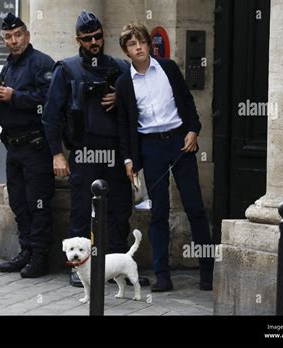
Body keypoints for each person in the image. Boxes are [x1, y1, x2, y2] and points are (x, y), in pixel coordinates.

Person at [42, 10, 149, 288]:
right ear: (78, 39)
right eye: (88, 38)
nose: (94, 42)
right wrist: (56, 153)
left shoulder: (120, 68)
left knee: (119, 212)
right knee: (80, 212)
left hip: (114, 152)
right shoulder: (66, 70)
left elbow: (138, 107)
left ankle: (115, 269)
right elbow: (51, 115)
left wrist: (120, 96)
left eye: (98, 36)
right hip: (84, 151)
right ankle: (80, 270)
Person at [116, 23, 214, 292]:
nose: (139, 47)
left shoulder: (168, 68)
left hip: (180, 142)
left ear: (149, 44)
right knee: (158, 212)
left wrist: (193, 130)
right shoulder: (124, 83)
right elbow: (124, 126)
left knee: (194, 206)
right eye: (132, 44)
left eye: (142, 42)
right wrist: (129, 161)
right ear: (126, 50)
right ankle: (163, 275)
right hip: (151, 147)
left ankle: (208, 271)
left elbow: (187, 101)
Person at [0, 13, 55, 278]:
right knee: (19, 203)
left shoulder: (42, 63)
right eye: (8, 37)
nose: (13, 41)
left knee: (38, 203)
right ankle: (26, 250)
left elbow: (49, 103)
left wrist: (16, 96)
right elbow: (3, 106)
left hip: (36, 146)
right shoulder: (9, 67)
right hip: (13, 147)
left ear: (27, 35)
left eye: (18, 35)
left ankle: (40, 257)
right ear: (3, 40)